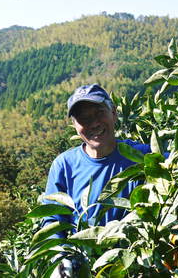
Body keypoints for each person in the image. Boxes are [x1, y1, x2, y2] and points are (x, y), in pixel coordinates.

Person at [41, 84, 151, 237]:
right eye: (83, 118)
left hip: (137, 256)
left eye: (99, 113)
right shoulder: (64, 165)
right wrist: (61, 256)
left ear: (113, 113)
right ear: (74, 125)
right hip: (84, 259)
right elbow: (53, 220)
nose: (94, 123)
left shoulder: (141, 155)